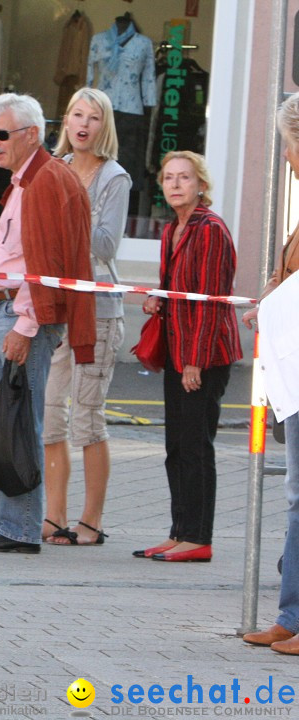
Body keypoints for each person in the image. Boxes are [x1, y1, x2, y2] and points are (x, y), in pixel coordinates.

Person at [0, 92, 95, 555]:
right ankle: (2, 522)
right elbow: (22, 255)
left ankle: (18, 529)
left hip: (26, 318)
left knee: (17, 424)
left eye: (2, 134)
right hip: (13, 310)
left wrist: (25, 324)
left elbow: (50, 263)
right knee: (4, 421)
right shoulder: (27, 180)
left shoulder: (45, 181)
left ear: (31, 134)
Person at [135, 151, 241, 563]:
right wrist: (157, 300)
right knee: (176, 445)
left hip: (206, 354)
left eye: (184, 177)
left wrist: (195, 362)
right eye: (168, 177)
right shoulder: (172, 229)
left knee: (196, 445)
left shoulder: (210, 229)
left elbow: (211, 301)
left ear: (201, 185)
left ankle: (198, 537)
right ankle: (179, 531)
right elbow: (178, 288)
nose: (175, 184)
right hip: (178, 349)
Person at [41, 88, 130, 546]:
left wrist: (70, 208)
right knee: (51, 415)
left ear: (104, 126)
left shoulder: (115, 177)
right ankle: (54, 516)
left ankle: (91, 520)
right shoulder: (52, 168)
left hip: (98, 309)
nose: (83, 124)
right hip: (56, 308)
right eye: (76, 114)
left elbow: (107, 245)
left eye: (93, 117)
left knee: (87, 418)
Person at [243, 93, 299, 653]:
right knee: (295, 496)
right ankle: (290, 612)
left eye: (288, 143)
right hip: (292, 372)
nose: (284, 156)